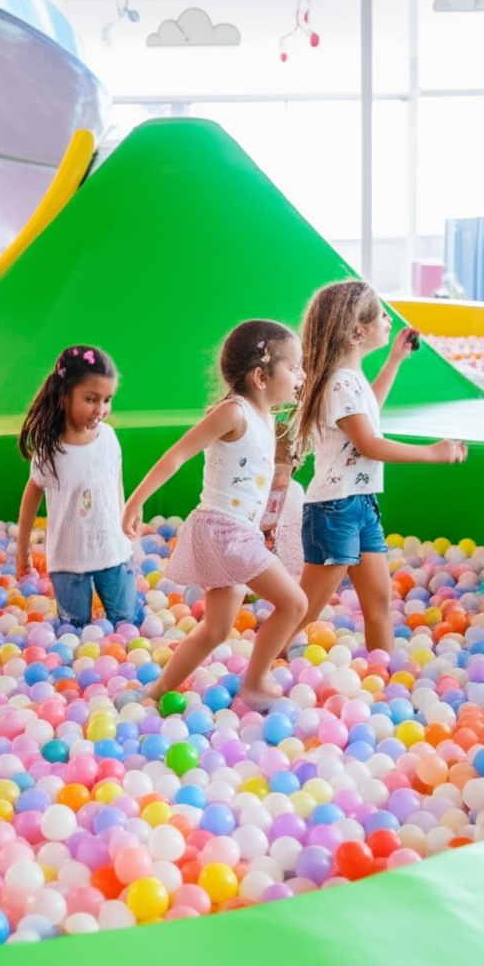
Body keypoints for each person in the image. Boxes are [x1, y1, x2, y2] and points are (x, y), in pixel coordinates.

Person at [122, 321, 308, 708]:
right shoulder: (233, 412)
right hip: (224, 532)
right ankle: (255, 682)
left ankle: (156, 693)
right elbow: (177, 454)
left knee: (215, 631)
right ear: (260, 376)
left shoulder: (267, 418)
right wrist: (136, 501)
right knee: (295, 604)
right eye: (293, 367)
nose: (300, 376)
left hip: (236, 532)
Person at [290, 280, 467, 654]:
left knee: (378, 603)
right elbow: (368, 443)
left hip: (360, 505)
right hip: (335, 508)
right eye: (382, 315)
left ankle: (381, 675)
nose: (389, 320)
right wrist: (432, 453)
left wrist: (395, 360)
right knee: (304, 609)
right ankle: (261, 666)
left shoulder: (349, 381)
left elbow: (369, 409)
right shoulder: (339, 383)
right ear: (358, 331)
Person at [16, 345, 136, 628]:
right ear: (64, 395)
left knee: (127, 622)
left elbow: (114, 479)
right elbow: (32, 494)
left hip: (112, 551)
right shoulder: (51, 451)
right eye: (91, 399)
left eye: (107, 400)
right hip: (69, 560)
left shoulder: (108, 437)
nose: (101, 410)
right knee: (74, 628)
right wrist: (23, 552)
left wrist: (125, 517)